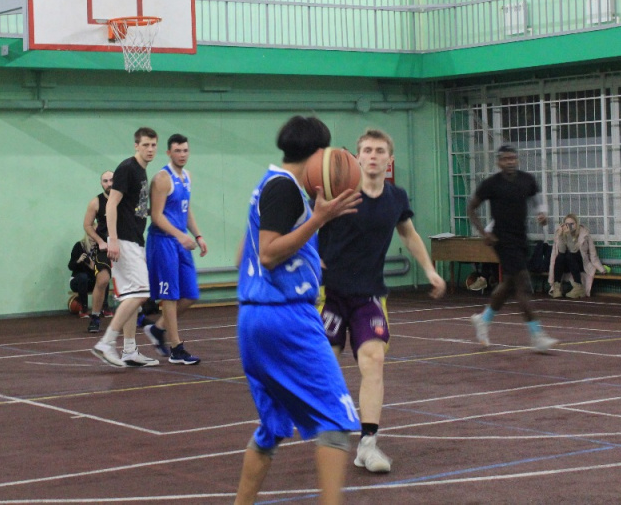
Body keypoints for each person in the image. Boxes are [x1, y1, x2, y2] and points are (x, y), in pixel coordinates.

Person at [233, 115, 361, 505]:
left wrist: (304, 255)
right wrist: (318, 220)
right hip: (285, 318)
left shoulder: (269, 184)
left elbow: (245, 254)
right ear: (318, 154)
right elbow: (268, 253)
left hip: (254, 319)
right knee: (336, 421)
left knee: (271, 429)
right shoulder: (285, 188)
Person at [318, 128, 446, 476]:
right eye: (367, 150)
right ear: (357, 156)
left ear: (390, 159)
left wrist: (429, 270)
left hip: (369, 295)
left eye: (379, 151)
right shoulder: (340, 194)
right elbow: (312, 228)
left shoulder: (395, 197)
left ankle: (368, 444)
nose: (372, 156)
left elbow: (409, 234)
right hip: (329, 294)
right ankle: (329, 428)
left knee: (373, 359)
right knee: (325, 367)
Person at [468, 145, 557, 352]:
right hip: (501, 239)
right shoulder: (491, 184)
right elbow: (471, 207)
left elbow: (537, 198)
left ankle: (484, 319)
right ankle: (537, 336)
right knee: (522, 284)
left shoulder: (527, 180)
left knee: (508, 284)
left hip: (521, 238)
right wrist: (483, 232)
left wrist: (542, 213)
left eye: (513, 158)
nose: (510, 161)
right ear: (498, 162)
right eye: (506, 158)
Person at [91, 127, 161, 368]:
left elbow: (134, 208)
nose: (150, 149)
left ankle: (130, 350)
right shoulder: (127, 168)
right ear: (136, 146)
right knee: (141, 293)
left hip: (134, 239)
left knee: (133, 295)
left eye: (153, 145)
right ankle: (106, 342)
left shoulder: (141, 171)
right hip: (124, 240)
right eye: (146, 145)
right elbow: (111, 204)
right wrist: (112, 238)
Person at [143, 134, 208, 365]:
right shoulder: (162, 178)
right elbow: (156, 216)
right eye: (178, 151)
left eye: (185, 150)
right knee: (169, 296)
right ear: (169, 153)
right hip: (163, 242)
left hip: (180, 242)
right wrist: (181, 236)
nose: (182, 155)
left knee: (190, 295)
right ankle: (176, 348)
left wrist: (197, 235)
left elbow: (185, 210)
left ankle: (157, 329)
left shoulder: (187, 177)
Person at [83, 171, 115, 333]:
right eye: (105, 181)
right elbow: (87, 225)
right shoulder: (96, 202)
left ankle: (139, 315)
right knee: (102, 280)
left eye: (112, 180)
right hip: (105, 247)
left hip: (124, 245)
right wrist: (100, 241)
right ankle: (95, 316)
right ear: (101, 183)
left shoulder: (125, 199)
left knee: (134, 282)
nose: (109, 183)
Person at [548, 213, 605, 298]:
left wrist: (600, 268)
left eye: (572, 224)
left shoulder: (584, 233)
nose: (569, 226)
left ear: (577, 224)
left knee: (570, 255)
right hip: (565, 264)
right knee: (560, 256)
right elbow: (561, 251)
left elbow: (590, 253)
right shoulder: (560, 233)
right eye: (567, 224)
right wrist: (560, 236)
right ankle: (557, 287)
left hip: (580, 263)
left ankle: (578, 287)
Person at [68, 236, 99, 316]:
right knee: (83, 277)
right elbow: (70, 266)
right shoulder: (79, 246)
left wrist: (93, 268)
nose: (93, 238)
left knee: (103, 279)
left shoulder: (99, 248)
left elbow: (100, 270)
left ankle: (104, 308)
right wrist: (78, 261)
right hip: (76, 281)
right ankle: (84, 309)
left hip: (90, 281)